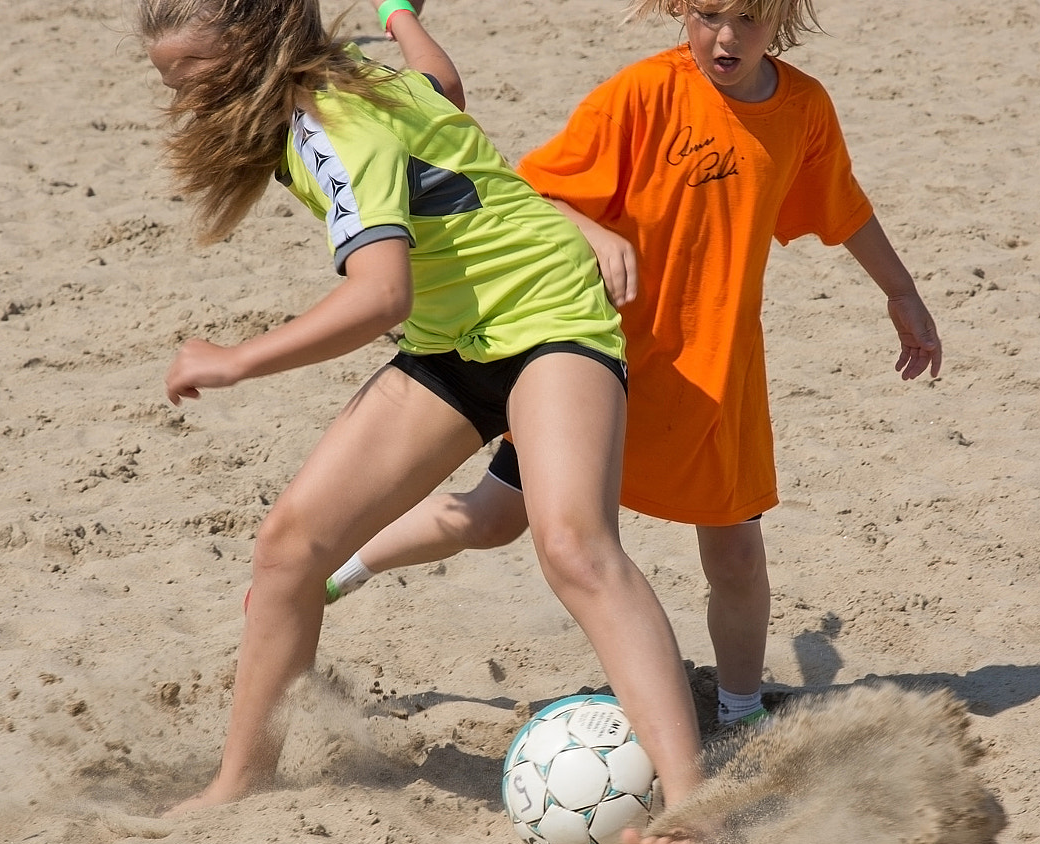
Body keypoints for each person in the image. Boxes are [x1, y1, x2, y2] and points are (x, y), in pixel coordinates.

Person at [136, 0, 705, 844]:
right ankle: (240, 782)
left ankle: (699, 808)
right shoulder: (356, 73)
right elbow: (444, 89)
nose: (180, 96)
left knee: (573, 547)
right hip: (451, 343)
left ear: (251, 49)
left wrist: (237, 359)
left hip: (548, 318)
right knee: (291, 549)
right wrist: (402, 17)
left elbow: (380, 296)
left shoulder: (328, 123)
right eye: (165, 77)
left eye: (192, 74)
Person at [325, 0, 942, 730]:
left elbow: (842, 208)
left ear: (780, 16)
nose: (726, 36)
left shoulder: (803, 108)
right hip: (594, 358)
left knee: (738, 557)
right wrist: (593, 230)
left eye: (749, 18)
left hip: (713, 374)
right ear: (682, 9)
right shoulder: (642, 93)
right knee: (491, 518)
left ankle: (740, 714)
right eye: (710, 14)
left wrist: (901, 292)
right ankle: (335, 576)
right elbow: (530, 189)